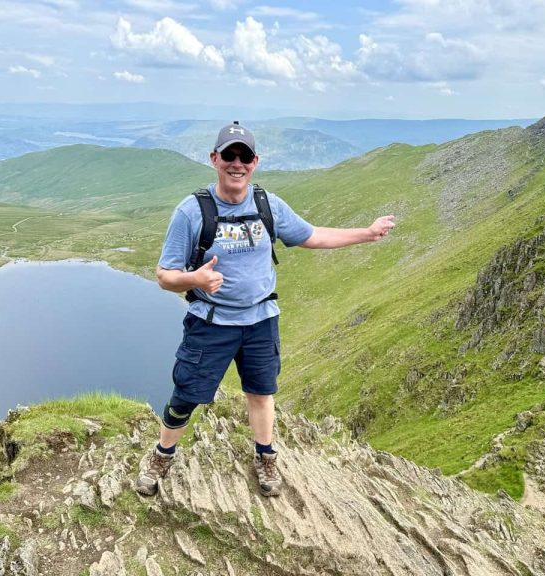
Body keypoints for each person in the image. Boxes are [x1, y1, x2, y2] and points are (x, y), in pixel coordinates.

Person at [134, 121, 396, 498]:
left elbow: (313, 236)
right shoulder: (191, 211)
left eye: (244, 156)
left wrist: (368, 234)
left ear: (255, 162)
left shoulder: (267, 205)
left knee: (261, 392)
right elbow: (165, 275)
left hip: (260, 320)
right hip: (211, 321)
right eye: (229, 155)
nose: (236, 163)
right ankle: (162, 455)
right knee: (187, 393)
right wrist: (196, 280)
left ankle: (265, 456)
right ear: (215, 159)